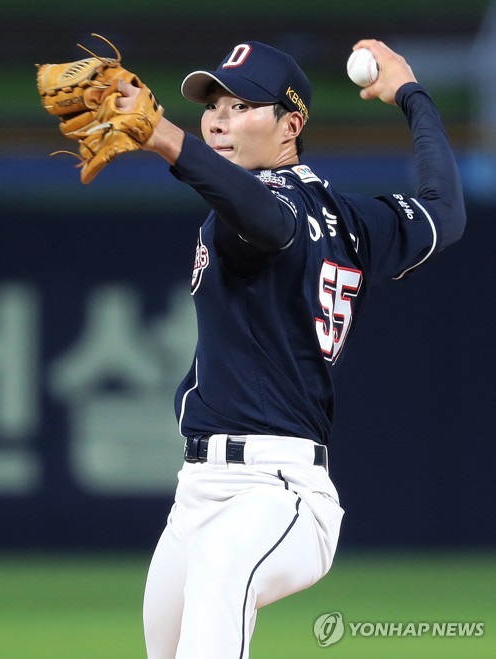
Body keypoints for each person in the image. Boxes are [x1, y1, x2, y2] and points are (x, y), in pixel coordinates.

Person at [116, 38, 466, 658]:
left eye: (244, 104)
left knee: (224, 571)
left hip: (279, 492)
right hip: (198, 489)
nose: (220, 118)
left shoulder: (269, 211)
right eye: (213, 104)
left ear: (290, 124)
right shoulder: (351, 220)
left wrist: (169, 140)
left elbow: (271, 221)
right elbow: (445, 210)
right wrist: (410, 96)